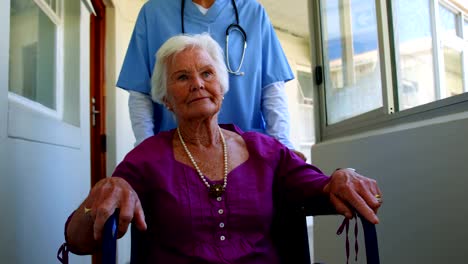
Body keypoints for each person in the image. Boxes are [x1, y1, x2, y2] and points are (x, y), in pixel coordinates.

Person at [63, 34, 382, 263]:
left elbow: (321, 186)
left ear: (221, 87)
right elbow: (77, 242)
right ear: (166, 99)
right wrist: (102, 192)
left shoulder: (265, 150)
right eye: (182, 77)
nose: (198, 84)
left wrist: (341, 176)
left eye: (206, 73)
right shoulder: (147, 158)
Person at [117, 0, 306, 159]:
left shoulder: (253, 12)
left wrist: (283, 149)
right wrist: (146, 150)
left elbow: (272, 89)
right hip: (176, 154)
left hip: (248, 153)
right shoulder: (154, 13)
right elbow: (140, 93)